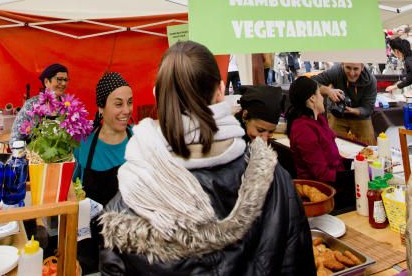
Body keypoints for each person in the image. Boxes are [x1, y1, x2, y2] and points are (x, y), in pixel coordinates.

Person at [99, 41, 315, 275]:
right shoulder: (275, 178)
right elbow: (298, 263)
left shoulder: (124, 207)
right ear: (221, 91)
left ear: (157, 96)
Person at [75, 72, 133, 275]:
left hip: (133, 246)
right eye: (118, 104)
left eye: (129, 102)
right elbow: (72, 193)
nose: (126, 110)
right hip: (94, 249)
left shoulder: (140, 141)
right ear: (101, 107)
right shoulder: (84, 144)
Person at [287, 77, 354, 212]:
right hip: (324, 193)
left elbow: (333, 157)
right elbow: (321, 174)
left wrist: (355, 163)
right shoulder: (303, 129)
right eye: (320, 94)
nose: (323, 98)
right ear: (312, 99)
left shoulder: (319, 120)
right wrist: (352, 175)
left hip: (336, 182)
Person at [312, 62, 377, 145]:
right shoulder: (336, 71)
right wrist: (328, 91)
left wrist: (353, 110)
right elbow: (311, 82)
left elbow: (368, 108)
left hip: (360, 115)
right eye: (348, 68)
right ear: (342, 65)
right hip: (337, 113)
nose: (352, 73)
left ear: (362, 67)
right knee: (333, 144)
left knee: (368, 145)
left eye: (356, 69)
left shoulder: (371, 80)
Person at [10, 63, 69, 144]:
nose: (63, 83)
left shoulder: (69, 105)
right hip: (34, 155)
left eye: (66, 80)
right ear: (46, 82)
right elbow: (15, 139)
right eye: (59, 79)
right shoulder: (32, 104)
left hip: (65, 156)